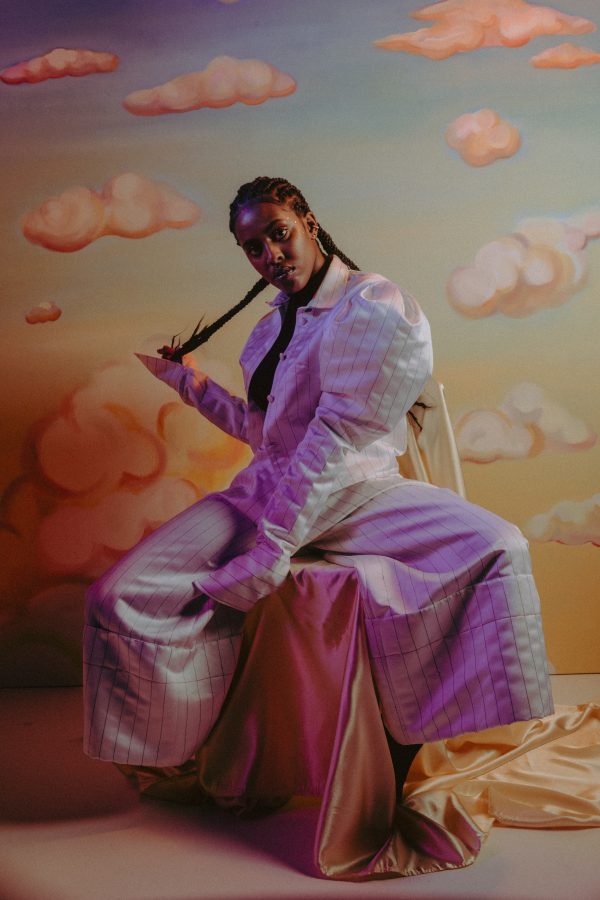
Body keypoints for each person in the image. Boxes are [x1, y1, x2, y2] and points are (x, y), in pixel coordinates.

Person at [83, 176, 554, 799]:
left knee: (500, 544)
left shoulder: (375, 305)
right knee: (116, 595)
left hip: (359, 494)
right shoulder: (270, 327)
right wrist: (189, 384)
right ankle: (179, 749)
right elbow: (266, 437)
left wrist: (272, 548)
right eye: (253, 248)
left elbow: (335, 439)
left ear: (308, 221)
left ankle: (424, 734)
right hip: (264, 492)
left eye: (279, 234)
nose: (271, 256)